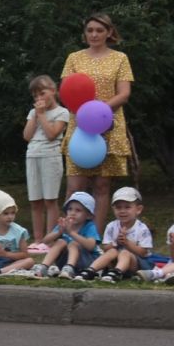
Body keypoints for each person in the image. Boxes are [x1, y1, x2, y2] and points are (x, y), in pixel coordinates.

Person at [62, 12, 135, 225]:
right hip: (80, 128)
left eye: (99, 30)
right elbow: (66, 90)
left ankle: (95, 239)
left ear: (109, 32)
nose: (94, 34)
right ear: (85, 33)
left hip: (108, 125)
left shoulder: (120, 58)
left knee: (102, 186)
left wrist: (99, 110)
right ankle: (69, 238)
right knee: (75, 186)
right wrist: (86, 112)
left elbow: (124, 93)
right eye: (90, 30)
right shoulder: (74, 58)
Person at [23, 75, 68, 247]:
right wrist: (36, 115)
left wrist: (41, 114)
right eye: (35, 96)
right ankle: (37, 239)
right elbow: (27, 136)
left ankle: (50, 239)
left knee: (50, 199)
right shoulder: (33, 113)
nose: (39, 99)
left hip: (51, 156)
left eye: (42, 93)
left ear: (54, 90)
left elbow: (51, 134)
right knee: (35, 200)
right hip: (32, 155)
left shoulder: (62, 112)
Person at [86, 185, 151, 281]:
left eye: (127, 207)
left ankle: (116, 273)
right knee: (112, 251)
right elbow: (105, 248)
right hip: (114, 261)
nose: (122, 211)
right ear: (113, 209)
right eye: (118, 207)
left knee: (125, 252)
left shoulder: (142, 229)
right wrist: (116, 242)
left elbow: (143, 253)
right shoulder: (111, 226)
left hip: (136, 264)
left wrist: (127, 243)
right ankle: (90, 270)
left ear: (138, 209)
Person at [41, 190, 102, 278]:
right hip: (64, 262)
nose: (72, 213)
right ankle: (44, 266)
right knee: (60, 241)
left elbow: (91, 246)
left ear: (88, 215)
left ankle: (70, 268)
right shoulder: (65, 224)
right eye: (70, 209)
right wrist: (59, 232)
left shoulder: (89, 226)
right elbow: (45, 241)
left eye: (78, 210)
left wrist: (71, 233)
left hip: (86, 262)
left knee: (73, 243)